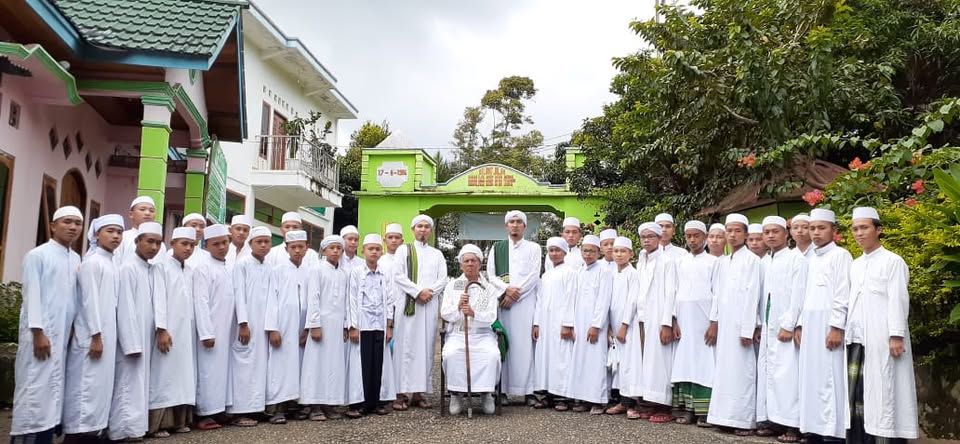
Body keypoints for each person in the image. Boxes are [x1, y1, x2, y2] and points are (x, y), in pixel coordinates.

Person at [846, 207, 919, 443]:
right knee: (859, 392)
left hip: (883, 338)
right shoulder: (855, 264)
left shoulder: (893, 262)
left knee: (886, 391)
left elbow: (898, 299)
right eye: (855, 229)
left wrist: (896, 335)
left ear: (878, 230)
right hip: (857, 337)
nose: (859, 233)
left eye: (864, 227)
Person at [11, 206, 83, 444]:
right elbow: (32, 296)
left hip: (62, 337)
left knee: (53, 390)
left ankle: (46, 436)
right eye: (67, 222)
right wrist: (38, 332)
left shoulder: (75, 258)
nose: (73, 227)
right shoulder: (37, 255)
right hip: (39, 336)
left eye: (77, 223)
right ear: (53, 225)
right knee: (34, 390)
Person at [63, 215, 123, 441]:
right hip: (91, 336)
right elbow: (90, 302)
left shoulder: (111, 262)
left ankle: (95, 429)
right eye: (110, 231)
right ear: (97, 234)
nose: (115, 235)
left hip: (106, 333)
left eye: (119, 231)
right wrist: (96, 335)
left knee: (100, 385)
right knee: (85, 384)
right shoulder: (92, 262)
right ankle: (78, 433)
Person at [795, 208, 851, 442]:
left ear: (833, 231)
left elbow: (842, 293)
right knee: (812, 378)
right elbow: (802, 294)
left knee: (831, 377)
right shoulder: (809, 258)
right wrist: (799, 324)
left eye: (821, 228)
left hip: (829, 326)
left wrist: (836, 327)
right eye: (812, 228)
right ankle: (814, 430)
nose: (816, 233)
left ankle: (832, 432)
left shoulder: (841, 256)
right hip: (810, 324)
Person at [705, 213, 762, 436]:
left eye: (738, 231)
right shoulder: (722, 262)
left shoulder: (752, 261)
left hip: (741, 327)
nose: (733, 235)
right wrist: (714, 322)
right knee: (724, 371)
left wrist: (748, 328)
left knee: (742, 372)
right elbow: (717, 296)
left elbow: (753, 297)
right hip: (725, 325)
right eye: (730, 230)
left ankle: (744, 420)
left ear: (746, 234)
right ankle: (723, 416)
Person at [110, 221, 166, 442]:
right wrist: (131, 343)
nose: (154, 247)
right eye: (149, 241)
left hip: (144, 336)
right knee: (127, 383)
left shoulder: (149, 268)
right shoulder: (128, 267)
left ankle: (134, 429)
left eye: (158, 243)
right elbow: (125, 309)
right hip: (131, 340)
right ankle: (120, 431)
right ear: (136, 241)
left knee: (138, 384)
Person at [755, 216, 807, 443]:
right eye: (766, 232)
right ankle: (772, 421)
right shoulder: (765, 261)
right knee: (769, 374)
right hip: (768, 326)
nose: (770, 236)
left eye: (775, 231)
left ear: (786, 234)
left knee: (788, 376)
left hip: (785, 327)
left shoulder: (796, 259)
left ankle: (793, 425)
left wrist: (789, 324)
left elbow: (799, 294)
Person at [620, 225, 679, 423]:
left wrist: (667, 323)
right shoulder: (642, 261)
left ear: (659, 237)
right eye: (643, 237)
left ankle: (663, 405)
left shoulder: (667, 261)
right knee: (645, 362)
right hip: (642, 318)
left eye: (650, 237)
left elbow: (671, 292)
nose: (646, 240)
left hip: (658, 318)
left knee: (660, 362)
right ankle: (648, 403)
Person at [302, 235, 363, 420]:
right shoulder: (317, 270)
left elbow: (346, 302)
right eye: (332, 248)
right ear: (323, 250)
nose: (336, 251)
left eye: (339, 248)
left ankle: (329, 404)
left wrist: (346, 325)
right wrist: (314, 325)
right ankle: (315, 406)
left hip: (337, 326)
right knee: (317, 364)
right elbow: (313, 298)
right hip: (321, 324)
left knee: (334, 365)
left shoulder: (344, 273)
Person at [390, 215, 448, 411]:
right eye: (419, 226)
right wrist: (417, 292)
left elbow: (443, 278)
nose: (423, 230)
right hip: (408, 306)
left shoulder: (437, 254)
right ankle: (399, 394)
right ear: (413, 229)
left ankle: (418, 393)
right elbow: (398, 275)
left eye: (426, 227)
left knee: (425, 349)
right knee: (403, 349)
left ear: (430, 231)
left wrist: (429, 292)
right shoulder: (403, 250)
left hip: (428, 306)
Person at [487, 210, 542, 405]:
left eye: (519, 222)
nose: (515, 225)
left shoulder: (534, 248)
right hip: (504, 304)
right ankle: (501, 390)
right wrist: (506, 291)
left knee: (525, 347)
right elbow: (491, 275)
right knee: (504, 344)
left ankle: (528, 391)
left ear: (525, 226)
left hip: (526, 304)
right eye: (512, 221)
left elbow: (534, 275)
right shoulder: (497, 248)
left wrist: (515, 294)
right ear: (506, 226)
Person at [148, 227, 199, 437]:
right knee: (165, 376)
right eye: (183, 244)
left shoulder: (190, 270)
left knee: (183, 375)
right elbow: (158, 300)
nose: (188, 248)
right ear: (172, 243)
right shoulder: (161, 267)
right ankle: (159, 424)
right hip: (167, 332)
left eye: (192, 245)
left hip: (186, 332)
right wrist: (161, 329)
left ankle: (180, 421)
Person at [441, 244, 503, 416]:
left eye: (473, 260)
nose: (470, 264)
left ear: (479, 263)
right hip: (458, 334)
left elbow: (491, 316)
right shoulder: (452, 286)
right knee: (451, 354)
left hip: (482, 335)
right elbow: (445, 313)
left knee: (491, 355)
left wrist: (474, 314)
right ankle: (456, 393)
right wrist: (458, 308)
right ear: (461, 265)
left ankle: (486, 393)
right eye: (466, 261)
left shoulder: (487, 288)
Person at [670, 220, 718, 427]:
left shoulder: (713, 262)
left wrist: (714, 323)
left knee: (705, 364)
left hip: (704, 321)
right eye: (688, 236)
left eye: (696, 235)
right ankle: (687, 409)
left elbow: (718, 295)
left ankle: (704, 411)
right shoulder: (680, 262)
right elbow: (672, 292)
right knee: (685, 363)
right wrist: (672, 320)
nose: (692, 240)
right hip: (683, 320)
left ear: (705, 237)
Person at [264, 230, 313, 423]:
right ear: (286, 248)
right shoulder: (277, 271)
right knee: (281, 367)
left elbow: (312, 301)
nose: (298, 250)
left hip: (301, 327)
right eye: (294, 247)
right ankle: (277, 409)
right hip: (282, 326)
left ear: (307, 248)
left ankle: (295, 405)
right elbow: (271, 301)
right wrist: (273, 328)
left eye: (301, 247)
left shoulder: (309, 271)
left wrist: (308, 328)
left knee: (300, 366)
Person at [226, 226, 273, 426]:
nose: (263, 245)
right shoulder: (242, 264)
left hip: (263, 326)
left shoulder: (269, 266)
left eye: (267, 242)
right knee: (243, 366)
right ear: (250, 243)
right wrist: (243, 323)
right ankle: (239, 411)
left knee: (260, 367)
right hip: (246, 326)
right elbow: (239, 295)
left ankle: (256, 408)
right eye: (259, 241)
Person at [561, 235, 612, 414]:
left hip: (596, 325)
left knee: (596, 361)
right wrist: (572, 325)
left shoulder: (604, 271)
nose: (588, 254)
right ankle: (582, 398)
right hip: (580, 323)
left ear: (598, 252)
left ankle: (598, 401)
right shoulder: (580, 272)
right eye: (585, 250)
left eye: (591, 251)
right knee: (580, 361)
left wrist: (596, 325)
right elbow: (572, 300)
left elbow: (603, 301)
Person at [347, 234, 397, 416]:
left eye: (377, 249)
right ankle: (360, 403)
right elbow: (351, 299)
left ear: (381, 252)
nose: (374, 252)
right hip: (363, 325)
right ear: (363, 251)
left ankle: (377, 402)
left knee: (379, 363)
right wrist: (352, 326)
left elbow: (390, 299)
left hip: (380, 325)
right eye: (370, 249)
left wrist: (390, 326)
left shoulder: (384, 274)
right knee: (362, 364)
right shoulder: (356, 273)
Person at [193, 224, 234, 430]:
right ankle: (204, 414)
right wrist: (206, 333)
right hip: (210, 331)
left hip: (225, 329)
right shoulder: (203, 268)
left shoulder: (226, 267)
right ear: (206, 245)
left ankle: (217, 411)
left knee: (220, 372)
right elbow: (201, 302)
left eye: (224, 243)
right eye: (216, 244)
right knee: (208, 372)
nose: (221, 247)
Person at [532, 237, 576, 411]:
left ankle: (561, 396)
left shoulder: (571, 272)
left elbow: (571, 299)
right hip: (545, 323)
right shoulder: (546, 274)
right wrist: (536, 323)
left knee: (561, 358)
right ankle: (545, 395)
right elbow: (540, 301)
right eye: (551, 250)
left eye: (557, 250)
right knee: (545, 358)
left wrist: (567, 324)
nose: (554, 253)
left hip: (560, 323)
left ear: (565, 252)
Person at [604, 236, 640, 417]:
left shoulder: (633, 274)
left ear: (631, 254)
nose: (618, 254)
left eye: (622, 251)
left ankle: (631, 404)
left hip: (628, 326)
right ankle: (620, 402)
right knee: (618, 365)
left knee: (629, 365)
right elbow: (608, 302)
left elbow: (632, 302)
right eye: (616, 251)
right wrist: (609, 326)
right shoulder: (611, 274)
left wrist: (624, 325)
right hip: (614, 325)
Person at [115, 196, 165, 265]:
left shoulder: (160, 244)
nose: (148, 213)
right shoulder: (123, 237)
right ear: (131, 214)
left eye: (151, 211)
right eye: (142, 209)